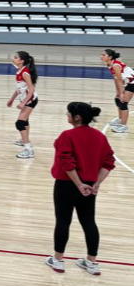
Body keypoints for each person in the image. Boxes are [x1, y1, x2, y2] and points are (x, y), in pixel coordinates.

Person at [46, 103, 115, 276]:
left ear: (77, 117)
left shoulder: (67, 135)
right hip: (89, 185)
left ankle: (58, 260)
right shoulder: (99, 137)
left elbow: (66, 162)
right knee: (89, 221)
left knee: (63, 221)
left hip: (66, 184)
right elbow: (109, 162)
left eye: (68, 113)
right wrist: (97, 183)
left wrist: (78, 184)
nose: (67, 116)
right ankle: (92, 262)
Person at [10, 51, 40, 160]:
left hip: (30, 100)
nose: (13, 58)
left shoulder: (25, 73)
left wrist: (23, 103)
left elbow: (31, 89)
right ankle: (25, 140)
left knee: (20, 123)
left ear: (21, 61)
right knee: (25, 121)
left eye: (15, 57)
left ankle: (28, 150)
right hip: (27, 100)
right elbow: (19, 88)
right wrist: (12, 99)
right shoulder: (19, 70)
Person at [101, 48, 134, 133]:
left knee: (123, 103)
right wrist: (118, 93)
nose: (101, 56)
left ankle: (124, 127)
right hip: (127, 82)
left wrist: (122, 93)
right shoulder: (109, 64)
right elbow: (116, 78)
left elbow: (119, 80)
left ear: (110, 57)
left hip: (132, 83)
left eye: (103, 55)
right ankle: (120, 120)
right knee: (117, 99)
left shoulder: (115, 65)